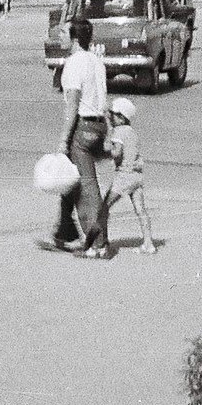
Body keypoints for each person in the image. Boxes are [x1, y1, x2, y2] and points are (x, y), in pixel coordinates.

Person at [41, 17, 110, 257]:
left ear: (75, 38)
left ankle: (97, 243)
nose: (59, 36)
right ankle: (64, 232)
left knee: (85, 185)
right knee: (70, 180)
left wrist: (63, 140)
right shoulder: (96, 62)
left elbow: (72, 104)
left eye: (63, 33)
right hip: (99, 124)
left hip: (82, 127)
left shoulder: (73, 64)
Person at [101, 96, 157, 255]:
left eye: (113, 114)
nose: (110, 117)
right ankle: (148, 243)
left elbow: (117, 153)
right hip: (136, 176)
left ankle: (103, 241)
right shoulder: (132, 132)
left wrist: (104, 153)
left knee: (104, 207)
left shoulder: (118, 132)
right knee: (141, 210)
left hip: (123, 176)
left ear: (121, 117)